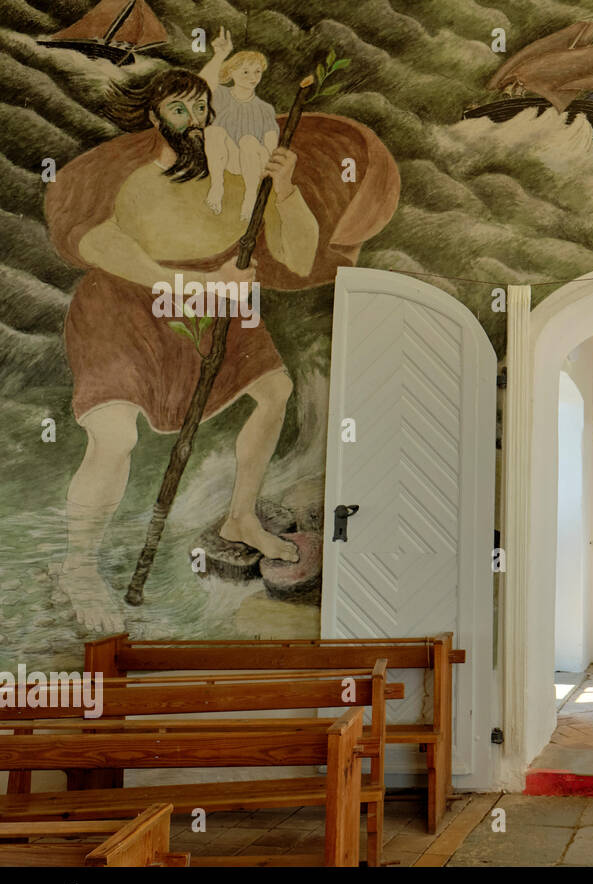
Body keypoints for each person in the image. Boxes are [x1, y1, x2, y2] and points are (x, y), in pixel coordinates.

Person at [45, 66, 398, 632]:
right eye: (180, 111)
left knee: (275, 391)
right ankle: (77, 565)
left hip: (218, 300)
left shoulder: (239, 172)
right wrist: (201, 286)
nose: (194, 122)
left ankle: (240, 518)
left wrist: (285, 191)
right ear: (155, 116)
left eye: (202, 110)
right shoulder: (130, 174)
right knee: (114, 432)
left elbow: (299, 256)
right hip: (125, 307)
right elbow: (102, 247)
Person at [200, 28, 280, 221]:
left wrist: (267, 166)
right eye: (245, 71)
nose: (252, 77)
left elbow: (270, 147)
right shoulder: (221, 96)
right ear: (231, 72)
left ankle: (250, 197)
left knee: (248, 140)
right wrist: (220, 55)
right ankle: (217, 185)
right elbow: (200, 85)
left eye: (257, 72)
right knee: (214, 131)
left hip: (256, 160)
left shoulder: (265, 109)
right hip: (230, 158)